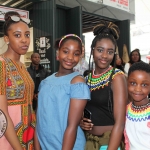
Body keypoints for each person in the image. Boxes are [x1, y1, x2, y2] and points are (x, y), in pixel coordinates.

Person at [34, 34, 90, 150]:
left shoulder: (77, 82)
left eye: (76, 54)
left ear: (80, 57)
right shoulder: (45, 82)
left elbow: (72, 126)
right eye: (66, 51)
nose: (70, 57)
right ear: (58, 53)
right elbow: (39, 121)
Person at [80, 21, 128, 150]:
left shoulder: (117, 77)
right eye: (100, 50)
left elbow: (120, 122)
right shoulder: (86, 78)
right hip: (88, 140)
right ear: (92, 50)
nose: (105, 56)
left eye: (110, 52)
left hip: (109, 142)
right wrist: (81, 121)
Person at [0, 11, 35, 150]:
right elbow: (1, 113)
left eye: (27, 35)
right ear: (6, 39)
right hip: (8, 139)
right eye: (17, 35)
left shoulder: (22, 65)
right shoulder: (1, 64)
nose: (24, 40)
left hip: (27, 136)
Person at [124, 61, 150, 150]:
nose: (138, 89)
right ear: (127, 82)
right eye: (133, 83)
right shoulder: (127, 110)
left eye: (144, 85)